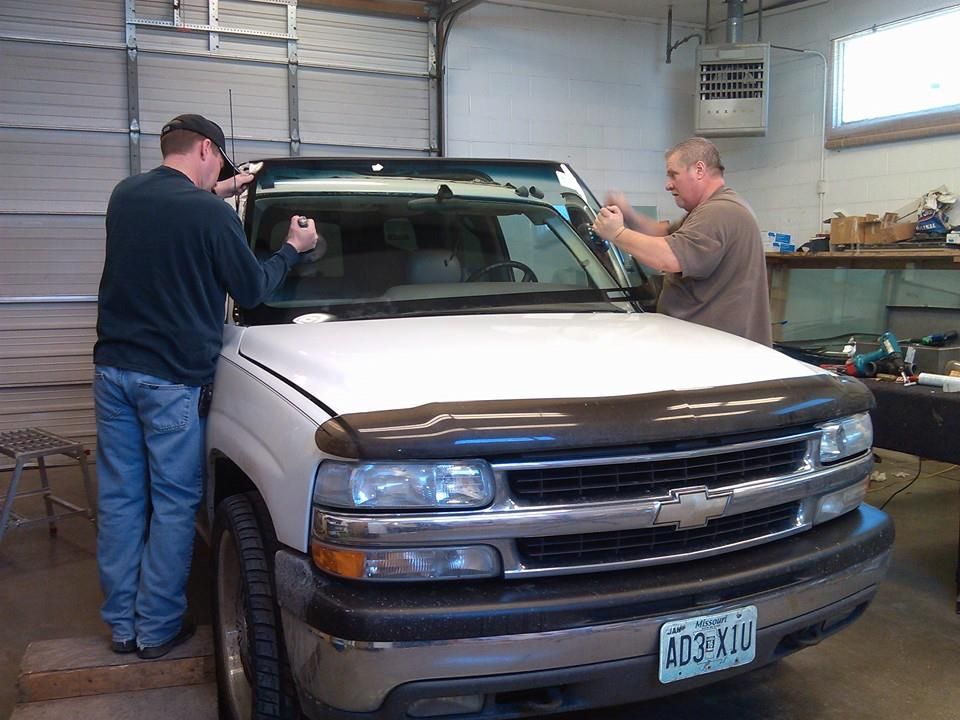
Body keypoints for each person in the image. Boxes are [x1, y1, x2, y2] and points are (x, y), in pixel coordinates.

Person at [93, 113, 319, 659]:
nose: (222, 167)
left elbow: (177, 210)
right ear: (204, 148)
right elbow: (253, 287)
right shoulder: (209, 218)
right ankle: (158, 629)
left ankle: (122, 627)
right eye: (220, 158)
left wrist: (224, 190)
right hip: (169, 381)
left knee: (122, 500)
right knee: (174, 503)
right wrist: (292, 247)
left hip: (113, 373)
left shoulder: (125, 196)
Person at [592, 137, 772, 345]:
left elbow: (670, 257)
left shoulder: (719, 212)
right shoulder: (713, 208)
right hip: (706, 343)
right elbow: (665, 235)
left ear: (699, 170)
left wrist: (617, 234)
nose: (668, 185)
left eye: (673, 174)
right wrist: (629, 215)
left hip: (717, 351)